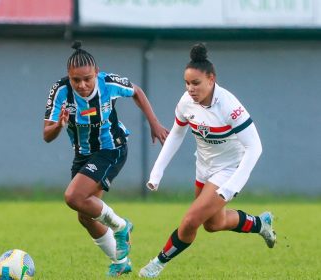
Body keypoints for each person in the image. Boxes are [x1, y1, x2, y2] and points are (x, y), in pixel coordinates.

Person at [138, 43, 276, 278]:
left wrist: (232, 187)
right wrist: (157, 172)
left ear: (211, 79)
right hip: (204, 168)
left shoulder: (229, 106)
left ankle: (156, 264)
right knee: (212, 224)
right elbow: (176, 134)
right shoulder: (185, 102)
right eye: (187, 83)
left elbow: (255, 147)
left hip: (229, 171)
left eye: (196, 83)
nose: (190, 89)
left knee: (191, 220)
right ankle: (260, 224)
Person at [44, 41, 169, 277]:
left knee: (73, 196)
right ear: (68, 77)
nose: (82, 85)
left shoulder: (108, 82)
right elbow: (46, 135)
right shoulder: (60, 91)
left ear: (96, 73)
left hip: (112, 148)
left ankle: (121, 227)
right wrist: (59, 126)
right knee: (85, 215)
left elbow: (137, 92)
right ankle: (120, 261)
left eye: (87, 79)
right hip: (83, 155)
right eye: (75, 80)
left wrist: (153, 122)